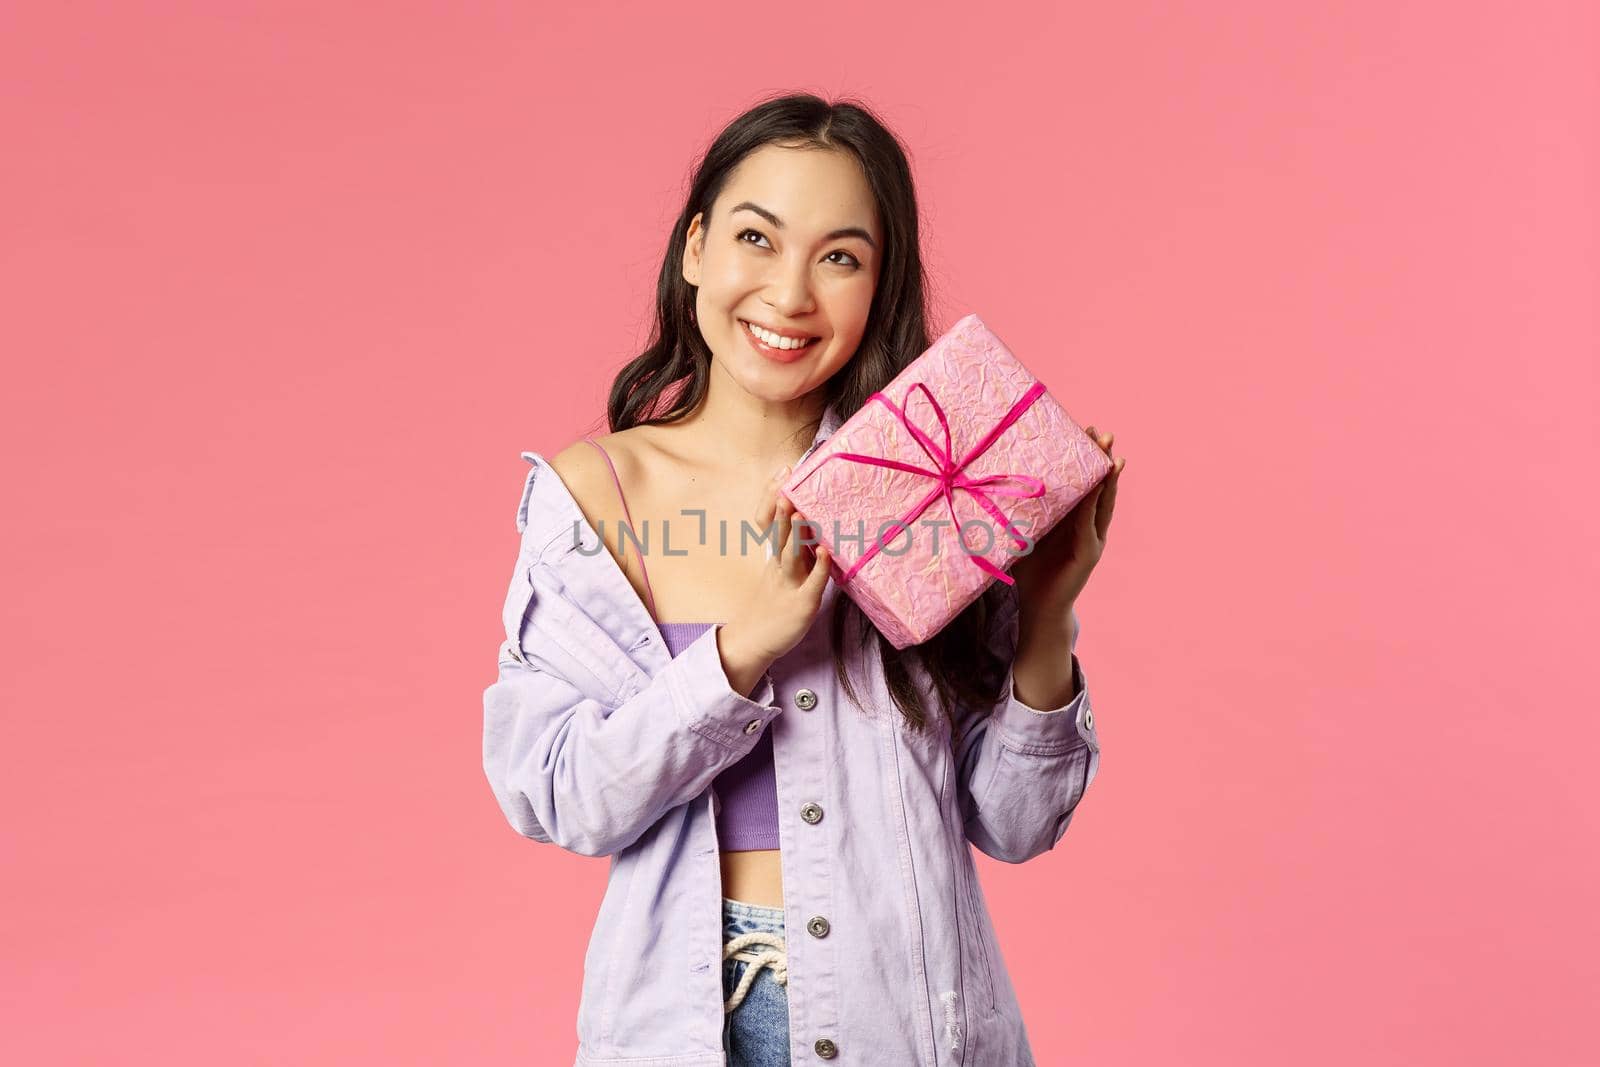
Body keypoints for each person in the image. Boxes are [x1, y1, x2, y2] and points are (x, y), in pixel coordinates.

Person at [482, 92, 1124, 1067]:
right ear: (695, 248)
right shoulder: (593, 496)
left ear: (878, 286)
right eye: (755, 237)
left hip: (906, 1022)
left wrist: (1046, 613)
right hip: (678, 1024)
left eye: (839, 256)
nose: (789, 295)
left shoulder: (929, 485)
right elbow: (563, 796)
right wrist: (742, 650)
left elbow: (1017, 822)